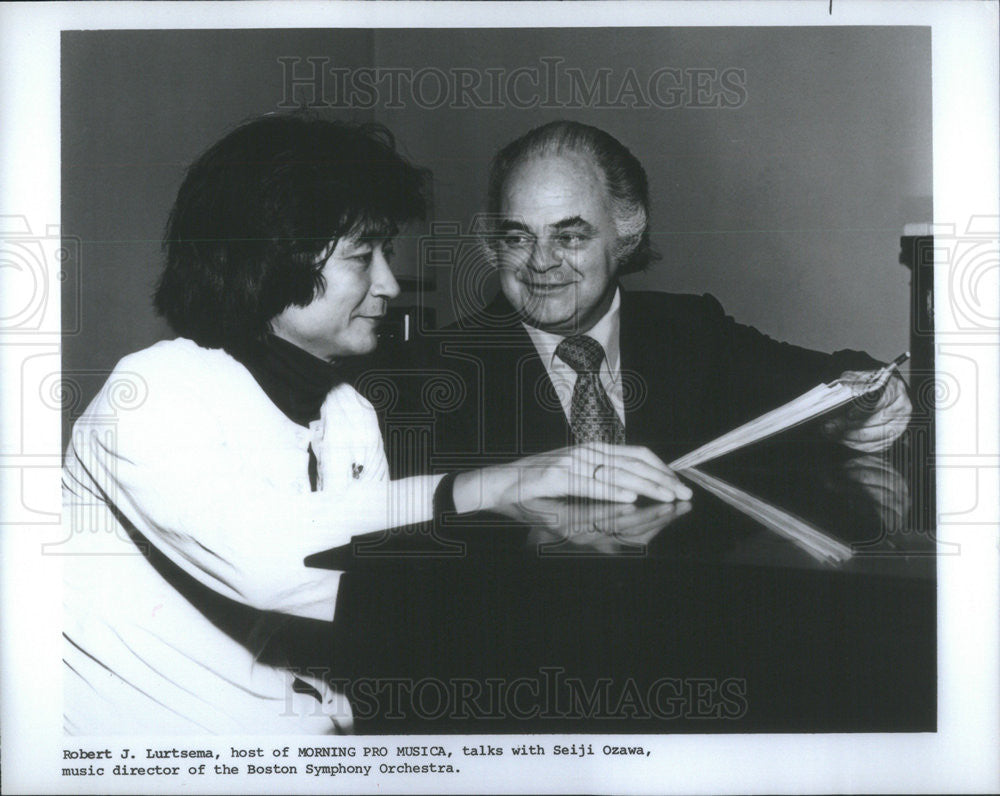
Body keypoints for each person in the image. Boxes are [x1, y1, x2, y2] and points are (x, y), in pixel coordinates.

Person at [61, 114, 689, 736]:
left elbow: (389, 603)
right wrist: (491, 487)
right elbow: (277, 564)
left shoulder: (351, 415)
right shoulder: (153, 393)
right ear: (274, 257)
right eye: (365, 256)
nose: (390, 283)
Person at [376, 120, 911, 474]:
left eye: (570, 236)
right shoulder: (423, 375)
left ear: (626, 235)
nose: (540, 261)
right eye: (519, 236)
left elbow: (832, 380)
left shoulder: (693, 332)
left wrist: (867, 406)